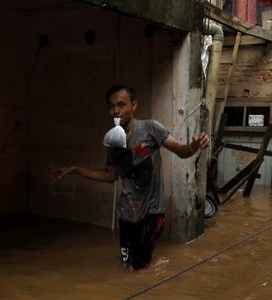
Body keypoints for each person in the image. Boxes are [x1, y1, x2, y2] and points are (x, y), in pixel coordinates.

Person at [52, 85, 209, 271]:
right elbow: (109, 175)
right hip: (126, 213)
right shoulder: (112, 141)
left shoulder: (151, 128)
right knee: (126, 265)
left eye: (121, 105)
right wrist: (76, 169)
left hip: (151, 212)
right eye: (111, 106)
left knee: (139, 268)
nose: (116, 111)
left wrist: (195, 144)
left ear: (133, 105)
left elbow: (182, 151)